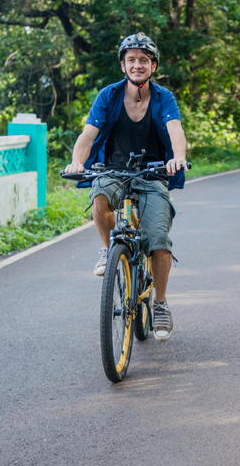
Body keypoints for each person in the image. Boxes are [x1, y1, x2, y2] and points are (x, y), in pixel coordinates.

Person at [64, 32, 188, 340]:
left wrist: (178, 157)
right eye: (131, 60)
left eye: (143, 60)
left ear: (153, 66)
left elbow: (175, 130)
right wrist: (77, 162)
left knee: (158, 239)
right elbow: (87, 135)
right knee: (100, 196)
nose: (137, 65)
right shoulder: (108, 95)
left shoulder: (163, 98)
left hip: (153, 174)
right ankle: (109, 250)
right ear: (123, 65)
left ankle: (159, 303)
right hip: (114, 171)